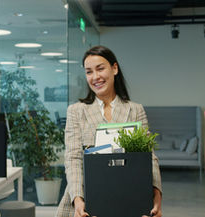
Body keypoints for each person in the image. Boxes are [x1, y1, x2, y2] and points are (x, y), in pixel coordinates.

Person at [56, 45, 162, 217]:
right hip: (86, 199)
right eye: (89, 72)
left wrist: (157, 199)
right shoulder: (76, 111)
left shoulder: (135, 110)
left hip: (130, 196)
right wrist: (77, 199)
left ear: (114, 68)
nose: (95, 77)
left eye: (100, 69)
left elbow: (148, 157)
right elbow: (73, 158)